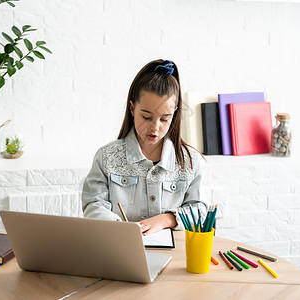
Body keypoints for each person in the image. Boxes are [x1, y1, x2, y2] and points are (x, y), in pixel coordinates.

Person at [82, 59, 208, 235]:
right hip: (120, 248)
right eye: (147, 117)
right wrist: (120, 229)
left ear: (175, 114)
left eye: (164, 119)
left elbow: (200, 210)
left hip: (175, 252)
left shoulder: (192, 161)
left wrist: (167, 219)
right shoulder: (106, 157)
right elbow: (93, 205)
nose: (155, 127)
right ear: (132, 109)